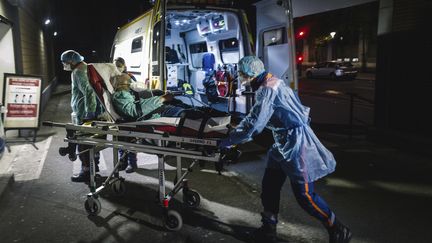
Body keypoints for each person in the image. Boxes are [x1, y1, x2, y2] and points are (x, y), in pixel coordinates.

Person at [219, 56, 351, 243]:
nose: (240, 77)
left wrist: (228, 140)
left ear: (250, 73)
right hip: (282, 142)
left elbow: (254, 125)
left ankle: (337, 227)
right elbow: (256, 118)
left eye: (241, 74)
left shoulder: (267, 90)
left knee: (305, 195)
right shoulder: (273, 81)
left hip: (298, 144)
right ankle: (268, 229)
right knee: (270, 186)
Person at [60, 50, 104, 183]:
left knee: (83, 144)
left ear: (72, 61)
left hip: (84, 114)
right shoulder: (88, 67)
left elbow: (88, 92)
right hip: (97, 112)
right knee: (94, 142)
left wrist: (88, 113)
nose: (64, 65)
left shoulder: (78, 72)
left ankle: (86, 172)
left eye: (65, 62)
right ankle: (94, 167)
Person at [113, 57, 138, 173]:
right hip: (118, 112)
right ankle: (122, 162)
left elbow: (137, 91)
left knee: (131, 138)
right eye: (115, 65)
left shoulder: (130, 77)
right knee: (120, 139)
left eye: (119, 64)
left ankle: (132, 163)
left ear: (124, 65)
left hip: (129, 111)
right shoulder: (112, 78)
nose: (117, 67)